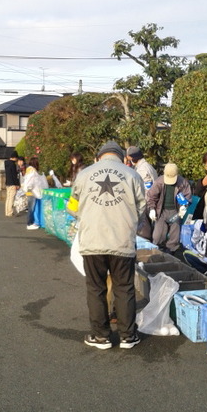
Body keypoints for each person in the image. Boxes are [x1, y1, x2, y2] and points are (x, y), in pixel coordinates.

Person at [70, 140, 146, 350]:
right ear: (121, 157)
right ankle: (127, 336)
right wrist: (131, 223)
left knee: (96, 288)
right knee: (124, 288)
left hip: (92, 241)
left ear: (99, 156)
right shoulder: (132, 175)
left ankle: (100, 336)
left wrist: (85, 218)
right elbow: (142, 207)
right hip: (122, 241)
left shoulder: (84, 174)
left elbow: (72, 205)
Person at [147, 163, 192, 255]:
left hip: (175, 211)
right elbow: (151, 196)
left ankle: (171, 254)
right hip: (161, 211)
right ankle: (157, 253)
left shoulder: (183, 183)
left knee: (174, 237)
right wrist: (152, 209)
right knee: (158, 236)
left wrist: (184, 206)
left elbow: (187, 197)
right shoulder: (159, 182)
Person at [126, 146, 158, 240]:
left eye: (129, 159)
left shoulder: (143, 170)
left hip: (146, 203)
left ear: (132, 158)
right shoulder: (146, 166)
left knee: (144, 232)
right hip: (149, 202)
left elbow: (147, 190)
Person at [23, 156, 48, 230]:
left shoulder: (30, 170)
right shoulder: (32, 171)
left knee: (32, 208)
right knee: (31, 209)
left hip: (32, 192)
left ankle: (32, 222)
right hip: (32, 192)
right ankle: (29, 223)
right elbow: (31, 181)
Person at [4, 150, 20, 217]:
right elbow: (14, 175)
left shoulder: (6, 163)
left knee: (8, 198)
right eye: (16, 158)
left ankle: (7, 212)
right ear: (14, 157)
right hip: (13, 183)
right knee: (11, 198)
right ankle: (10, 212)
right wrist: (17, 184)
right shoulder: (12, 164)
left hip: (8, 183)